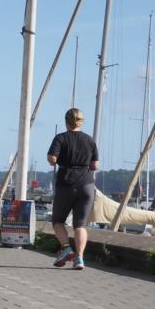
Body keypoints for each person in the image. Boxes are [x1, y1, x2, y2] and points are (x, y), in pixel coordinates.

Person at [47, 108, 100, 270]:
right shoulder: (90, 140)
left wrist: (60, 160)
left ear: (66, 121)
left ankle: (66, 248)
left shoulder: (60, 138)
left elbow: (52, 159)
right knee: (80, 225)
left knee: (58, 221)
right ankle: (80, 258)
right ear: (81, 122)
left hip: (66, 184)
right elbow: (95, 165)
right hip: (86, 185)